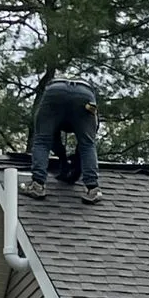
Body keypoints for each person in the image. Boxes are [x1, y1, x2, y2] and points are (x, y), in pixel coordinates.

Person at [22, 76, 103, 204]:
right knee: (87, 144)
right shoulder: (82, 120)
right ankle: (93, 189)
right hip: (85, 94)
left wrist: (74, 166)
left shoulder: (53, 117)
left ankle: (37, 185)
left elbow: (47, 142)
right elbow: (86, 145)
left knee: (42, 140)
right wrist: (64, 160)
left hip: (55, 91)